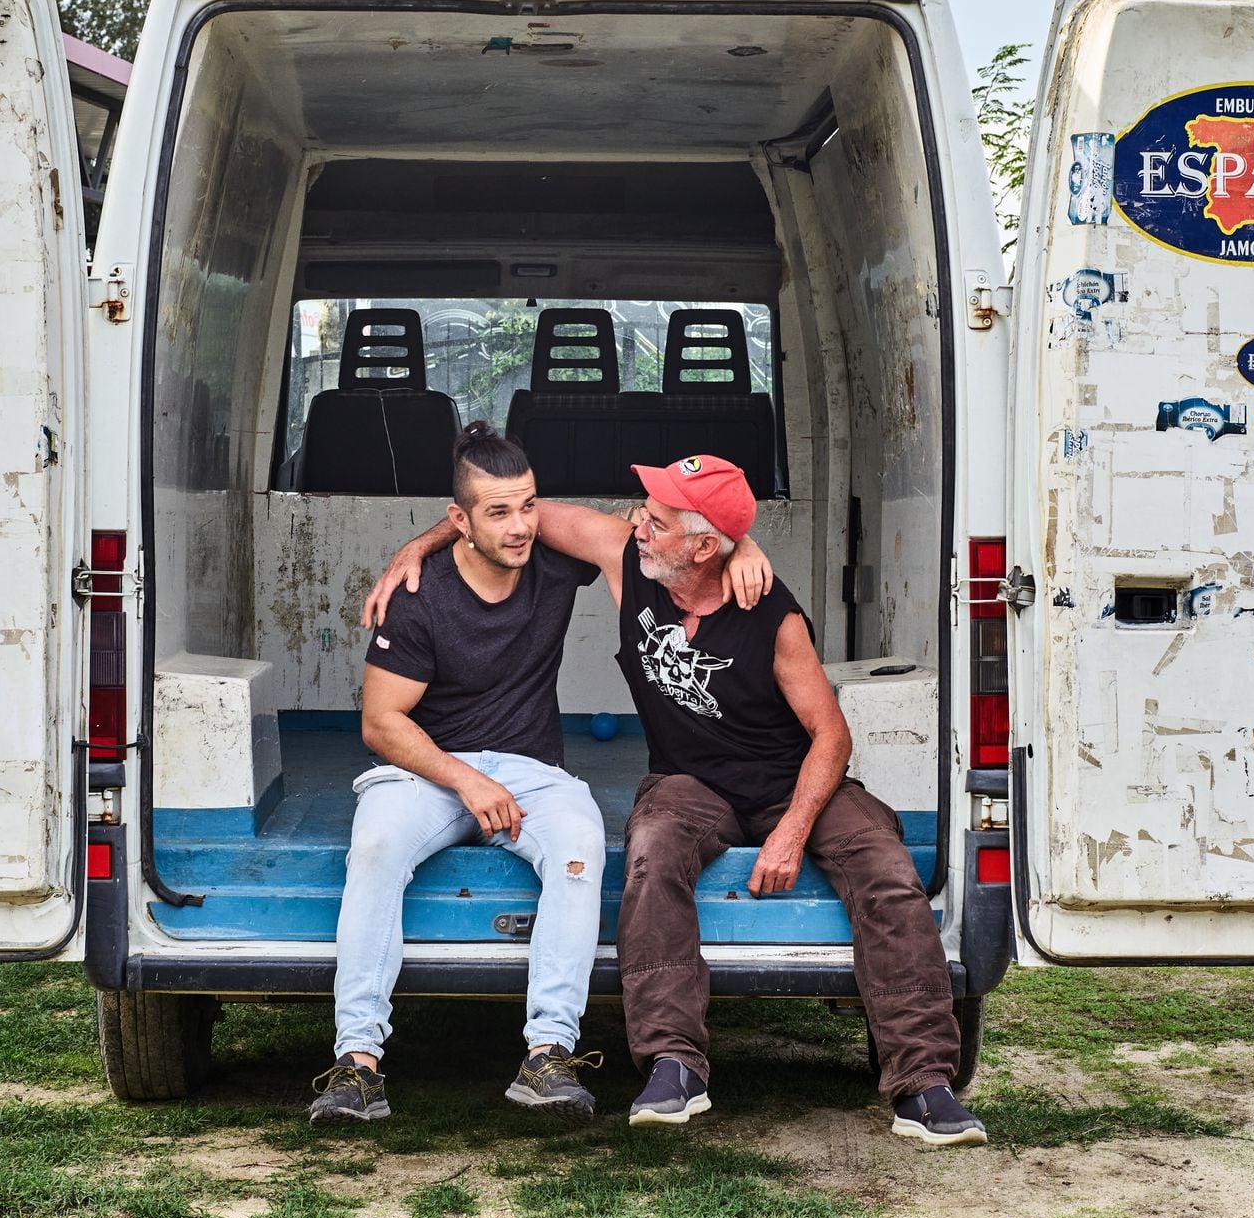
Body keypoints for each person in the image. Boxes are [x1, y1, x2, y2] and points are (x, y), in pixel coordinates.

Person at [364, 454, 987, 1145]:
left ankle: (924, 1084)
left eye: (656, 520)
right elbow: (515, 517)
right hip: (690, 781)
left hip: (790, 779)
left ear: (702, 545)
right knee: (652, 857)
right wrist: (418, 546)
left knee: (887, 872)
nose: (637, 525)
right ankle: (672, 1065)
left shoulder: (771, 613)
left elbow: (831, 737)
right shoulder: (627, 560)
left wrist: (790, 833)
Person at [310, 422, 612, 1127]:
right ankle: (357, 1066)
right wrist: (465, 781)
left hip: (532, 770)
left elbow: (644, 535)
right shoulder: (421, 595)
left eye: (529, 506)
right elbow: (381, 723)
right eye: (498, 512)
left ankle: (548, 1054)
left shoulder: (553, 559)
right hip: (428, 770)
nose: (519, 527)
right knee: (376, 848)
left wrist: (741, 540)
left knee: (579, 845)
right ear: (460, 520)